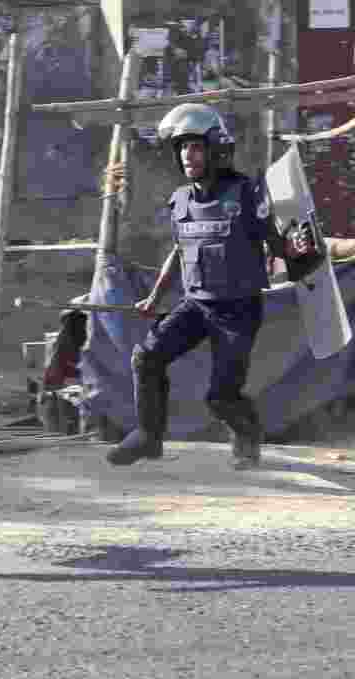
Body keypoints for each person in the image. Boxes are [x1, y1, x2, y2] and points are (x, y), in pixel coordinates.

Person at [106, 103, 313, 470]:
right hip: (197, 305)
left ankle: (247, 436)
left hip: (238, 309)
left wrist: (299, 250)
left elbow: (279, 243)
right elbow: (178, 250)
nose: (188, 154)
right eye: (182, 147)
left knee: (220, 396)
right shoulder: (181, 200)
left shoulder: (246, 194)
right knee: (146, 357)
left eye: (196, 146)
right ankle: (148, 437)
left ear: (216, 149)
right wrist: (154, 296)